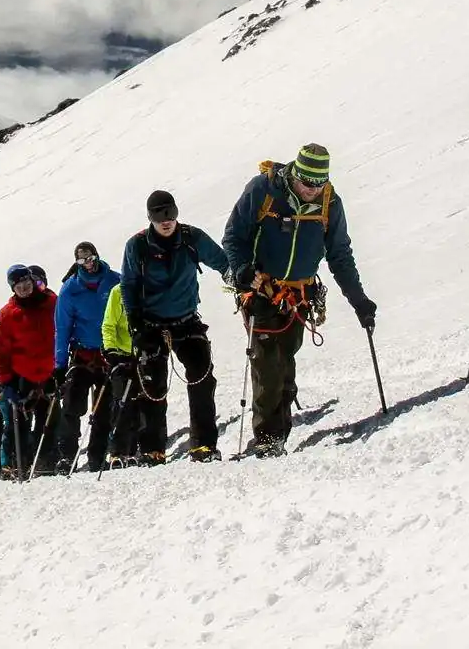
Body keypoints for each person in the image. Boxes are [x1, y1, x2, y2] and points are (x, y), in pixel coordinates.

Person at [223, 145, 376, 458]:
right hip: (261, 289)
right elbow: (234, 237)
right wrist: (241, 270)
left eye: (319, 185)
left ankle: (278, 432)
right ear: (294, 175)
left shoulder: (330, 203)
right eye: (308, 184)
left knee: (285, 361)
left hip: (300, 296)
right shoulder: (263, 190)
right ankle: (267, 437)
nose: (312, 191)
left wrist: (359, 300)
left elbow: (339, 255)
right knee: (266, 361)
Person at [119, 190, 233, 462]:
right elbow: (129, 284)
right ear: (150, 218)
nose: (166, 220)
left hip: (186, 320)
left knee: (202, 376)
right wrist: (135, 322)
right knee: (152, 386)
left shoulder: (192, 238)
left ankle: (203, 445)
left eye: (170, 213)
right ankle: (152, 449)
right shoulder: (137, 246)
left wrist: (236, 278)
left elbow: (221, 261)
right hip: (151, 324)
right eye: (159, 215)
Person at [53, 242, 121, 472]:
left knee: (104, 408)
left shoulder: (114, 281)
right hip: (82, 353)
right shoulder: (70, 289)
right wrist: (59, 364)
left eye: (90, 258)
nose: (88, 264)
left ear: (97, 255)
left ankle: (97, 455)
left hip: (109, 353)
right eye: (82, 261)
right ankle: (66, 456)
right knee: (71, 404)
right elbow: (62, 328)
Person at [0, 263, 58, 477]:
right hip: (23, 374)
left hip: (49, 371)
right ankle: (18, 463)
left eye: (26, 283)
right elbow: (0, 351)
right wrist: (6, 382)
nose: (24, 288)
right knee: (18, 423)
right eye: (18, 286)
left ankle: (46, 460)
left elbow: (64, 331)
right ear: (13, 289)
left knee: (49, 418)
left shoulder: (51, 302)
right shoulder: (8, 314)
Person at [100, 281, 146, 466]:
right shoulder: (118, 291)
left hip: (143, 352)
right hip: (121, 355)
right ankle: (117, 451)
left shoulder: (150, 287)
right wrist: (111, 349)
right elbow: (109, 324)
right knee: (122, 400)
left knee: (143, 400)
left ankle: (139, 447)